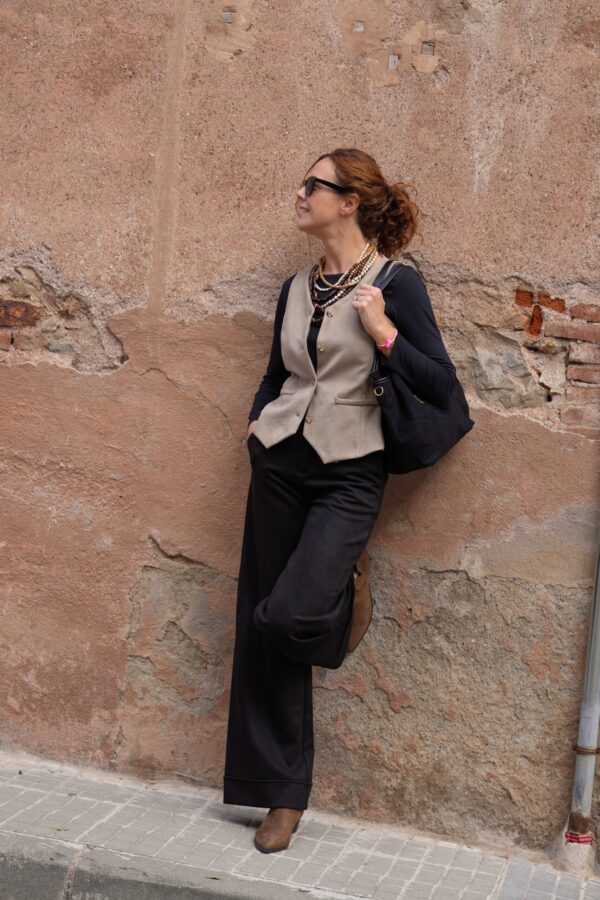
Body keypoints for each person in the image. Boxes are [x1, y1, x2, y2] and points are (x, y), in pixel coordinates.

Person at [222, 148, 457, 854]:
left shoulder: (396, 284)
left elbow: (441, 385)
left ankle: (342, 591)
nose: (300, 194)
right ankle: (281, 795)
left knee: (288, 613)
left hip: (351, 470)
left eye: (313, 185)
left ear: (349, 201)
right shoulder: (296, 287)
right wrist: (258, 421)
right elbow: (276, 374)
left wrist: (385, 332)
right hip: (279, 463)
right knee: (262, 625)